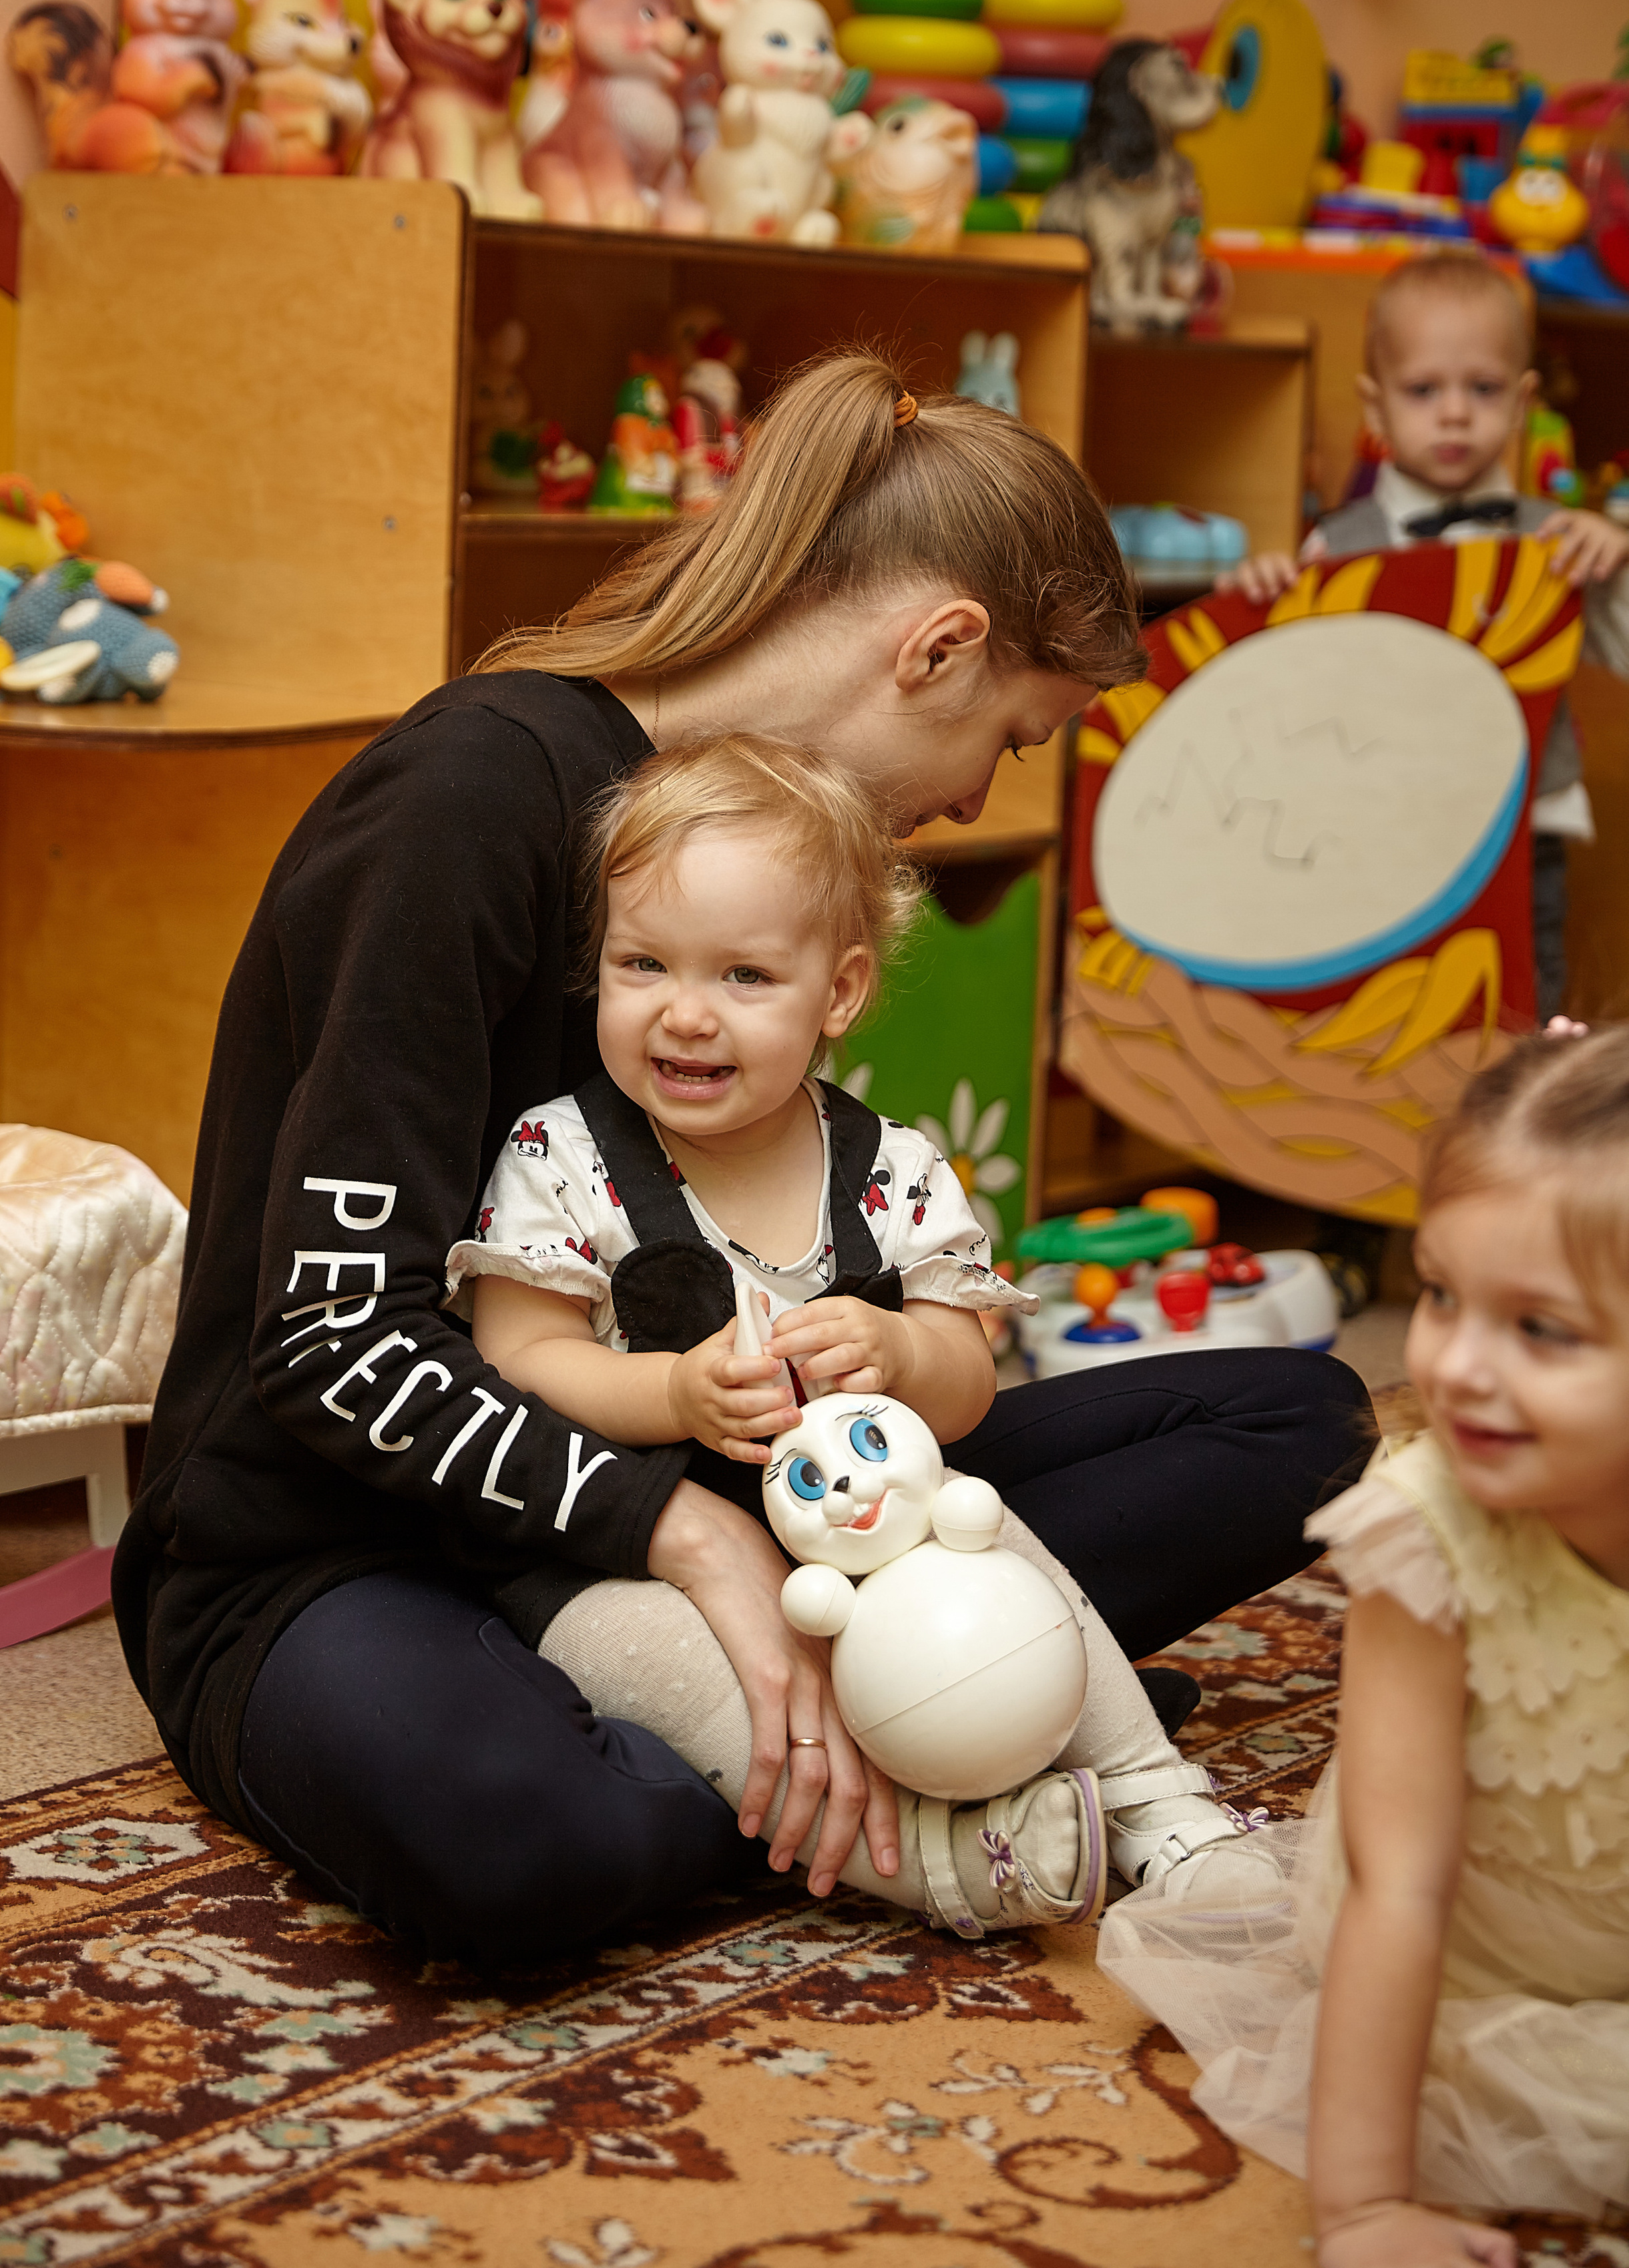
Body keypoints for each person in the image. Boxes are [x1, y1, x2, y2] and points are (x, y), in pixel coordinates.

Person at [113, 349, 1371, 1968]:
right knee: (537, 1851)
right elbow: (331, 1344)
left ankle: (889, 1705)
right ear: (937, 646)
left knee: (1298, 1415)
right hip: (355, 1537)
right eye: (1008, 735)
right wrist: (675, 1528)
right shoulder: (467, 803)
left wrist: (884, 1367)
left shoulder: (780, 878)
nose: (974, 794)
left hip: (747, 1487)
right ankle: (926, 1743)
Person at [458, 731, 1254, 1936]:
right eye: (644, 965)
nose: (685, 1015)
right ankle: (950, 1862)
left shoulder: (890, 1167)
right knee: (680, 1682)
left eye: (743, 978)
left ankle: (1159, 1802)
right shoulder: (560, 1156)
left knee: (1003, 1554)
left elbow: (968, 1378)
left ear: (836, 992)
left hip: (871, 1528)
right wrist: (674, 1393)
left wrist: (898, 1358)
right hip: (617, 1543)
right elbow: (519, 1361)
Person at [1098, 1022, 1629, 2255]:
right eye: (1441, 1296)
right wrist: (1369, 2207)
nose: (1455, 1367)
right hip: (1475, 1961)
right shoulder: (1425, 1543)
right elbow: (1402, 1886)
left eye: (1539, 1329)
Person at [1215, 250, 1629, 1024]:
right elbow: (1284, 703)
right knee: (1381, 1022)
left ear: (1521, 402)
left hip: (1519, 834)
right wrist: (1265, 601)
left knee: (1516, 1020)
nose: (1452, 412)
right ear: (1375, 411)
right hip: (1375, 835)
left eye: (1482, 389)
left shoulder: (1559, 544)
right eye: (1422, 390)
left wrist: (1613, 564)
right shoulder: (1337, 546)